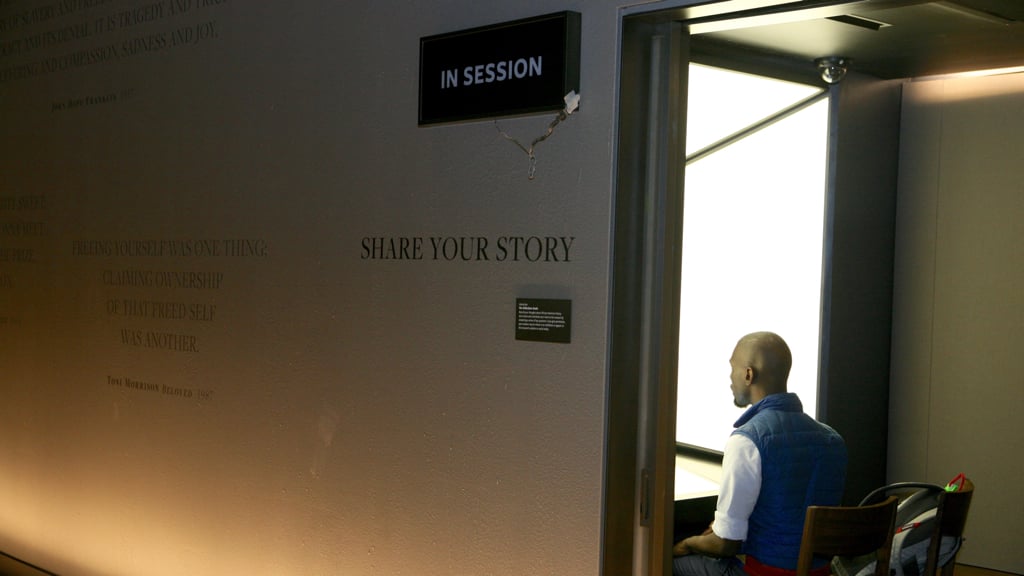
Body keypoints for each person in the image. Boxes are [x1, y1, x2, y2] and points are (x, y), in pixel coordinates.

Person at [673, 331, 847, 576]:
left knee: (666, 562)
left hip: (762, 572)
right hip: (820, 572)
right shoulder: (833, 440)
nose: (730, 378)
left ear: (748, 374)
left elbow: (725, 545)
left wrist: (685, 544)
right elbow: (793, 516)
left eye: (732, 368)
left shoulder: (747, 440)